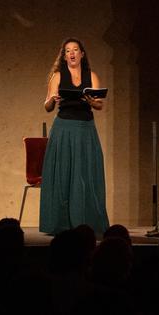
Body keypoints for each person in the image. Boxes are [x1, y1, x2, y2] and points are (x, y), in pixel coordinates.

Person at [40, 38, 109, 235]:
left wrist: (90, 99)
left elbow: (99, 105)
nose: (72, 53)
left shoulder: (92, 76)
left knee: (85, 174)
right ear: (64, 56)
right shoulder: (58, 76)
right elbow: (47, 106)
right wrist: (53, 99)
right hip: (64, 128)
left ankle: (86, 222)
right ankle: (61, 223)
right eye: (68, 51)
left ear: (82, 54)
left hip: (85, 129)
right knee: (64, 174)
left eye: (75, 50)